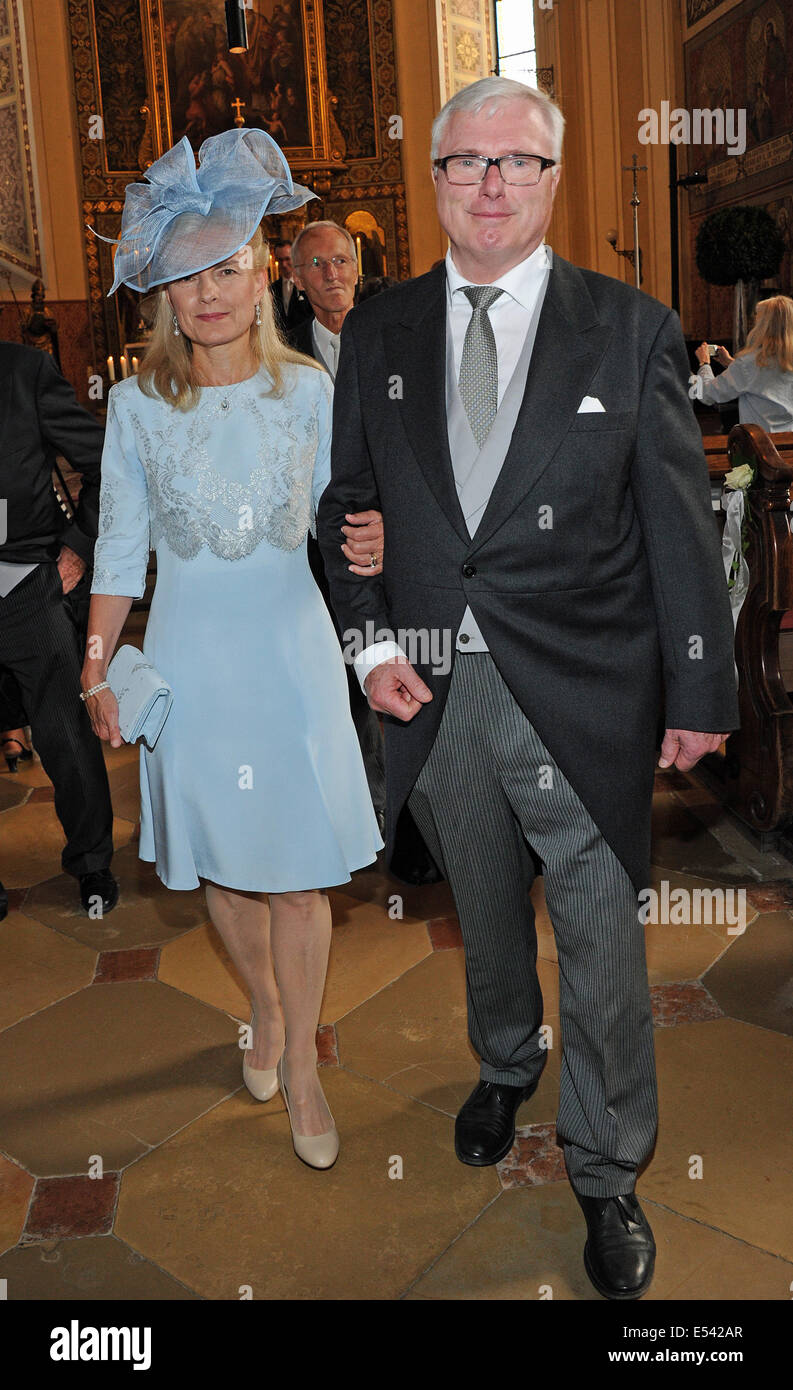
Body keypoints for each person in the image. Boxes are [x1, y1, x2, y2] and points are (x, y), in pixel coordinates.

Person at [317, 76, 739, 1298]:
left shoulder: (630, 327)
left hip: (590, 685)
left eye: (516, 161)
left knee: (602, 935)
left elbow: (676, 521)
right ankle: (505, 1062)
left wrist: (701, 689)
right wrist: (369, 644)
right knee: (486, 912)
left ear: (553, 180)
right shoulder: (380, 332)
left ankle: (606, 1170)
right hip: (433, 685)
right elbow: (346, 511)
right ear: (435, 178)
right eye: (465, 161)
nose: (490, 182)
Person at [82, 128, 382, 1171]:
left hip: (293, 661)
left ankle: (299, 1056)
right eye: (183, 277)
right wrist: (93, 663)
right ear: (162, 298)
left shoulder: (310, 393)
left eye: (225, 267)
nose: (206, 292)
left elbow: (355, 520)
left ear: (262, 275)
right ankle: (260, 999)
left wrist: (377, 535)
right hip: (195, 669)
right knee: (223, 869)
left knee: (298, 874)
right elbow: (119, 552)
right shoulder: (135, 409)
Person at [0, 339, 118, 915]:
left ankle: (92, 865)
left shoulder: (23, 371)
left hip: (26, 582)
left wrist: (75, 549)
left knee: (64, 736)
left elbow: (107, 464)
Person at [288, 220, 387, 829]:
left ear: (357, 265)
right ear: (297, 280)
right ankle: (364, 800)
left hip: (399, 531)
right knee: (345, 670)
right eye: (317, 265)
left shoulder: (392, 336)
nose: (332, 274)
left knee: (408, 655)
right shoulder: (281, 352)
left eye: (341, 260)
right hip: (318, 542)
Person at [690, 295, 793, 433]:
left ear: (763, 325)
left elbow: (706, 395)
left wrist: (704, 364)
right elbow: (764, 379)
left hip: (760, 447)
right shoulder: (785, 359)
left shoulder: (749, 363)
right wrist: (731, 363)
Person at [269, 237, 312, 334]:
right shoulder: (272, 288)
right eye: (280, 260)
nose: (284, 264)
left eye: (287, 259)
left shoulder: (307, 284)